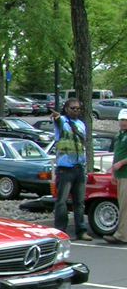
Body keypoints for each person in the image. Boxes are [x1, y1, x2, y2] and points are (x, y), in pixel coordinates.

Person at [50, 97, 91, 240]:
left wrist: (85, 166)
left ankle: (81, 230)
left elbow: (83, 145)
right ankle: (60, 230)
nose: (75, 111)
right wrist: (56, 117)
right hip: (65, 168)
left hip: (79, 167)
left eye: (78, 108)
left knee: (79, 202)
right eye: (72, 108)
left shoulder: (81, 124)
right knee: (61, 201)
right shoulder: (62, 122)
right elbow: (57, 119)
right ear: (66, 109)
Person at [104, 108, 127, 245]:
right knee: (122, 204)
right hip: (120, 175)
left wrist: (121, 163)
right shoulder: (119, 135)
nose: (124, 123)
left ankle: (121, 235)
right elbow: (117, 153)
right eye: (122, 120)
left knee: (124, 205)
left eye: (126, 120)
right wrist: (114, 172)